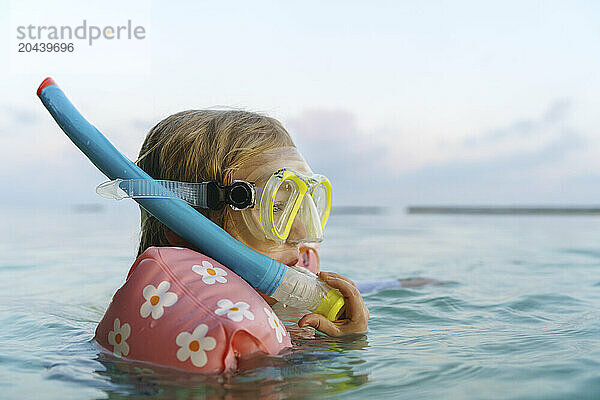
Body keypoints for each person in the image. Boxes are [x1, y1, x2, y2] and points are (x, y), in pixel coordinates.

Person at [134, 109, 369, 338]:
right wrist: (344, 347)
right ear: (185, 228)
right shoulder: (206, 332)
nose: (301, 232)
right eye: (276, 207)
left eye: (300, 207)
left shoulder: (286, 313)